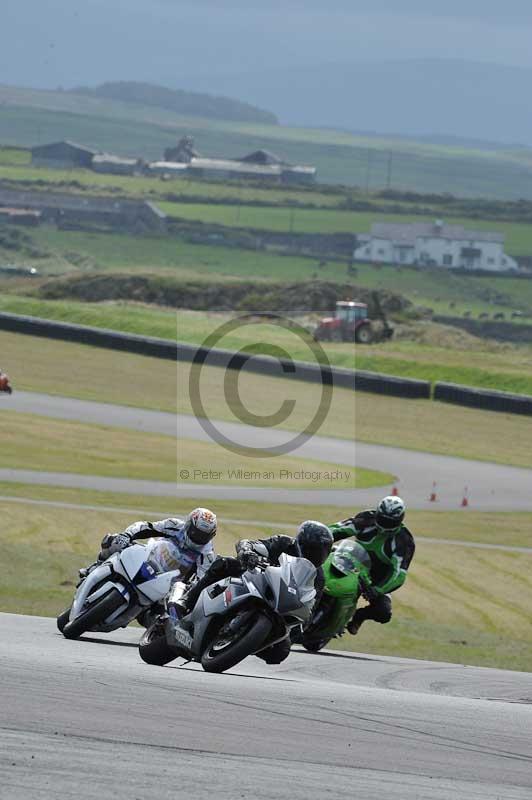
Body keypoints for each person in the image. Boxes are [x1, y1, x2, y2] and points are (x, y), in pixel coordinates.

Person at [174, 520, 334, 664]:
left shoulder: (318, 577)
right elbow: (252, 544)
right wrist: (247, 552)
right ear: (302, 543)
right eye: (314, 549)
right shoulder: (284, 543)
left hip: (281, 606)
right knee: (225, 564)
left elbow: (311, 604)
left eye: (322, 552)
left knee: (282, 651)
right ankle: (186, 599)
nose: (318, 555)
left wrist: (300, 625)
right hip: (255, 578)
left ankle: (240, 643)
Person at [79, 508, 218, 624]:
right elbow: (146, 526)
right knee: (114, 540)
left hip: (166, 585)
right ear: (189, 525)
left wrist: (185, 591)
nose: (198, 538)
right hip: (147, 558)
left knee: (162, 620)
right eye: (196, 532)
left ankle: (145, 627)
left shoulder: (207, 555)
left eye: (203, 536)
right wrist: (127, 535)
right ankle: (95, 567)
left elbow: (200, 581)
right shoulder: (175, 525)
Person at [329, 496, 415, 635]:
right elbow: (339, 528)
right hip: (349, 562)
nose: (385, 524)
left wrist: (379, 590)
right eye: (383, 519)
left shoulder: (404, 541)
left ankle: (359, 617)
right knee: (320, 569)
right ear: (377, 513)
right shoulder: (366, 518)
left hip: (376, 580)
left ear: (400, 520)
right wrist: (322, 537)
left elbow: (399, 574)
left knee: (384, 613)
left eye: (390, 521)